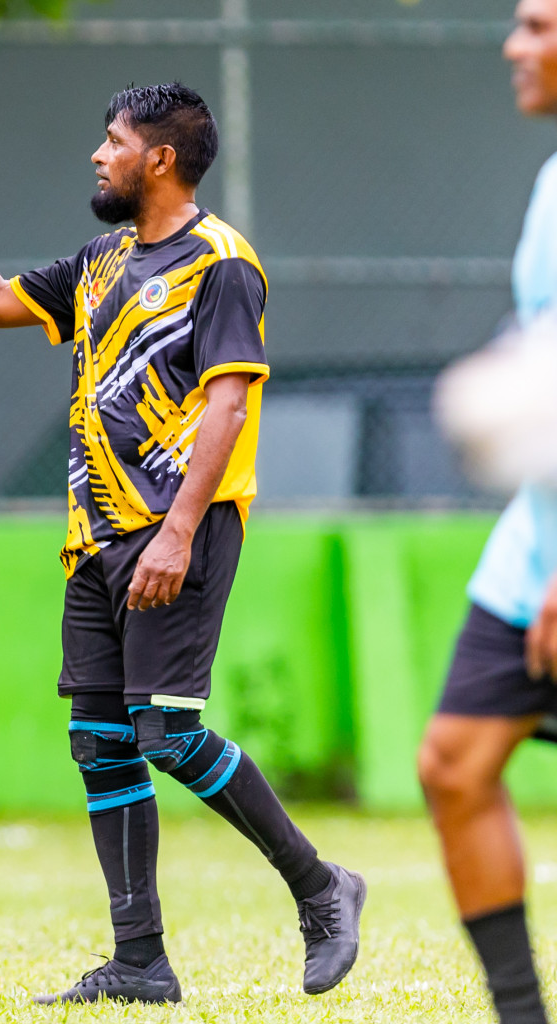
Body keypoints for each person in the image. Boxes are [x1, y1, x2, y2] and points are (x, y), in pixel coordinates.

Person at [0, 84, 364, 1005]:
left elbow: (229, 405)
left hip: (177, 531)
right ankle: (140, 960)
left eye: (111, 141)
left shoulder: (221, 263)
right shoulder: (103, 257)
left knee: (169, 734)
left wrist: (180, 533)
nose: (96, 155)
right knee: (103, 741)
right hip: (96, 537)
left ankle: (321, 888)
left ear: (159, 159)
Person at [418, 3, 557, 1022]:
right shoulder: (553, 184)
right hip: (534, 536)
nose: (515, 47)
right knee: (456, 763)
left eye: (538, 27)